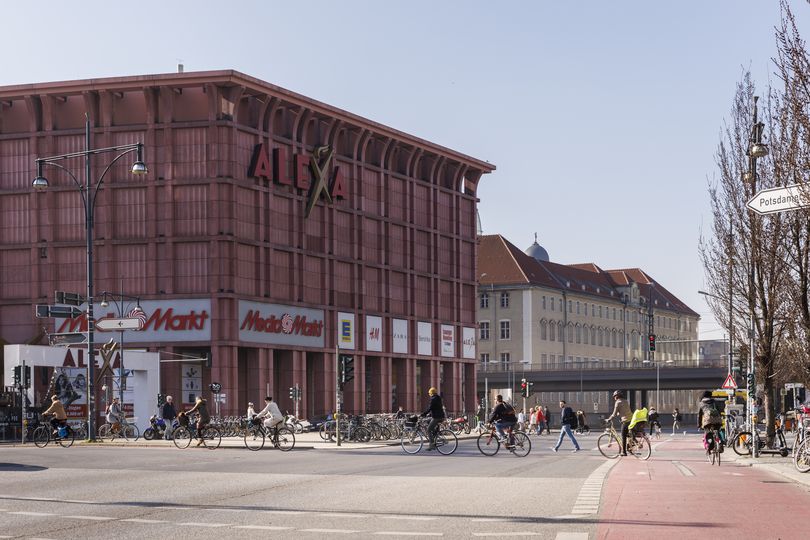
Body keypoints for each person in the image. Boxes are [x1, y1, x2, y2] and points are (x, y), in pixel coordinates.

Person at [606, 390, 632, 456]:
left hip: (625, 421)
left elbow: (614, 414)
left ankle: (624, 452)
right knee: (628, 435)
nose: (614, 398)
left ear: (617, 396)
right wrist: (619, 414)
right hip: (631, 420)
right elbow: (625, 410)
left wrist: (609, 419)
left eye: (614, 396)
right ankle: (629, 448)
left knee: (623, 436)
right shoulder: (625, 401)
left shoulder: (618, 402)